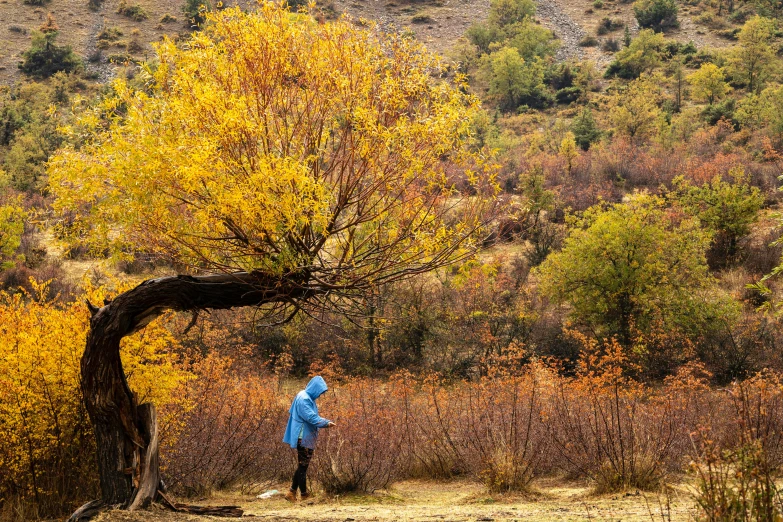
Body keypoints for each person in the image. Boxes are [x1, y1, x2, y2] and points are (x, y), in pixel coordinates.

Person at [282, 375, 335, 502]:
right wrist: (326, 423)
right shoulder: (304, 399)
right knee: (303, 467)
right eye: (320, 392)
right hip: (303, 436)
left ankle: (292, 492)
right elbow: (310, 417)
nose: (320, 395)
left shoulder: (304, 396)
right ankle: (304, 494)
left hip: (305, 436)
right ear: (315, 388)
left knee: (302, 465)